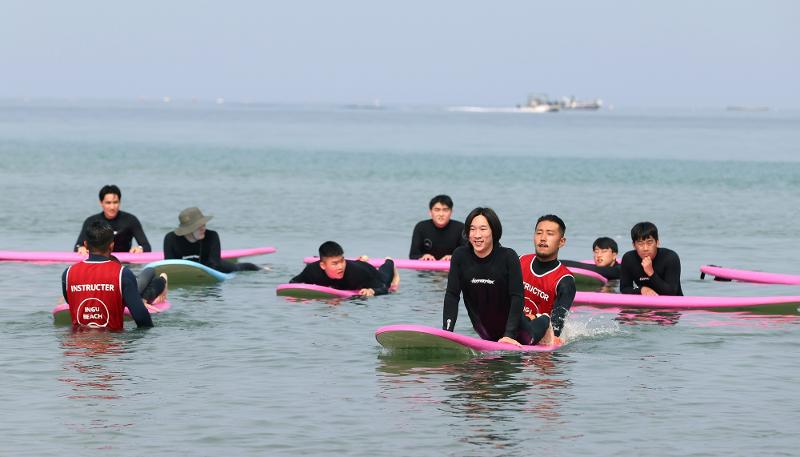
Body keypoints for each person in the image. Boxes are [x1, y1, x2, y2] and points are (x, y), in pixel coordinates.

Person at [442, 207, 527, 346]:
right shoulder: (460, 256)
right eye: (472, 229)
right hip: (485, 333)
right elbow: (452, 295)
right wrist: (447, 332)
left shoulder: (508, 256)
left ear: (493, 231)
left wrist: (509, 335)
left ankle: (543, 321)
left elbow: (517, 297)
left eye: (483, 229)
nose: (477, 235)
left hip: (519, 332)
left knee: (536, 330)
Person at [62, 220, 154, 330]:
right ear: (112, 245)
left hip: (76, 345)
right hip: (112, 343)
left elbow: (73, 303)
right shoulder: (122, 273)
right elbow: (142, 319)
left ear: (86, 245)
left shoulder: (68, 273)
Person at [519, 215, 576, 345]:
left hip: (538, 334)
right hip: (512, 324)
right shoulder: (519, 262)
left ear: (561, 242)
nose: (543, 238)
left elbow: (556, 326)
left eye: (550, 234)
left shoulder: (565, 281)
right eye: (539, 233)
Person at [163, 207, 261, 273]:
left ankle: (261, 268)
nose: (203, 228)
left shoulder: (212, 236)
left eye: (204, 224)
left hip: (214, 266)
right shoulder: (171, 239)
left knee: (239, 267)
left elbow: (215, 265)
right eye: (198, 226)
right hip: (187, 269)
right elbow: (170, 266)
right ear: (188, 229)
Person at [290, 241, 398, 296]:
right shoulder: (312, 270)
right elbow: (293, 282)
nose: (341, 266)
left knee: (386, 278)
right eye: (335, 263)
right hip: (356, 266)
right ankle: (362, 259)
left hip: (367, 271)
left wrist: (372, 291)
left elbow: (384, 288)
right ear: (323, 265)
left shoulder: (357, 274)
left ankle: (389, 261)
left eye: (342, 261)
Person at [74, 185, 151, 255]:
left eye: (115, 202)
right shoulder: (91, 221)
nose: (112, 207)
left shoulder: (130, 220)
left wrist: (140, 248)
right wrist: (81, 248)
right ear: (101, 203)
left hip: (124, 263)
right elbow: (77, 246)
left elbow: (146, 246)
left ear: (120, 202)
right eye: (108, 203)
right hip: (99, 263)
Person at [620, 222, 683, 296]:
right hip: (644, 305)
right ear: (634, 245)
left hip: (673, 305)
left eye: (649, 243)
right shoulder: (629, 259)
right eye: (640, 244)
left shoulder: (670, 257)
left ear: (657, 242)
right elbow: (624, 289)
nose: (645, 248)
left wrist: (651, 273)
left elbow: (672, 292)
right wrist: (641, 289)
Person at [409, 194, 467, 261]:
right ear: (430, 212)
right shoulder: (421, 227)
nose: (441, 214)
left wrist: (454, 257)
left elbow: (467, 254)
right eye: (437, 210)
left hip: (452, 268)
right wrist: (422, 256)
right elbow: (413, 255)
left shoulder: (461, 228)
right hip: (427, 269)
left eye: (445, 210)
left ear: (451, 212)